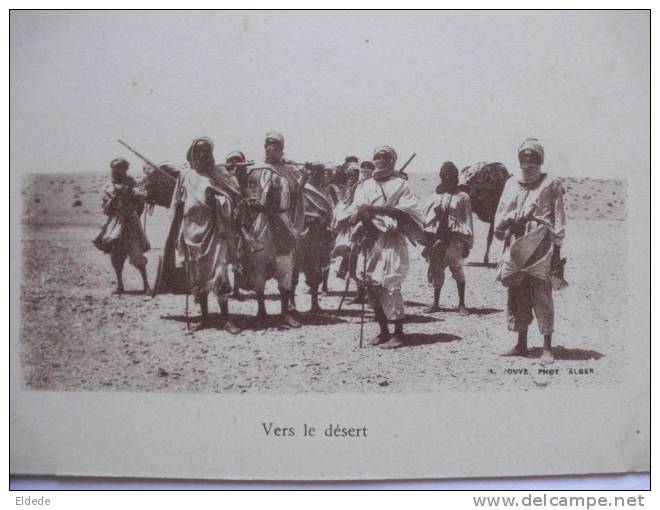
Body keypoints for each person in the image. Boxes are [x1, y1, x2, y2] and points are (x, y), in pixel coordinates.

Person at [339, 145, 424, 348]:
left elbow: (408, 212)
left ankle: (398, 333)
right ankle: (383, 331)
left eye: (385, 157)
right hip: (369, 240)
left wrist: (376, 209)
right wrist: (364, 220)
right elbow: (356, 212)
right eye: (377, 156)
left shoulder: (401, 185)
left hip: (391, 240)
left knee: (390, 284)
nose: (380, 160)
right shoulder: (364, 185)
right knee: (370, 284)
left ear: (392, 160)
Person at [494, 137, 566, 361]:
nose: (528, 161)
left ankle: (547, 348)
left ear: (540, 159)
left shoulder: (551, 183)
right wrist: (507, 224)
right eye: (524, 157)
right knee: (517, 291)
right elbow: (501, 213)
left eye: (532, 157)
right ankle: (521, 344)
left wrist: (556, 252)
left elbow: (558, 219)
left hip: (541, 244)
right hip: (516, 242)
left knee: (542, 294)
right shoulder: (511, 183)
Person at [176, 137, 241, 334]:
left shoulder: (220, 175)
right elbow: (180, 202)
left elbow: (234, 198)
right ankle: (204, 318)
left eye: (206, 151)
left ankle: (225, 319)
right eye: (198, 151)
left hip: (215, 232)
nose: (202, 155)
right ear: (192, 154)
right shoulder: (185, 176)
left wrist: (218, 201)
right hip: (192, 233)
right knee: (198, 276)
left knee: (220, 273)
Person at [422, 161, 473, 316]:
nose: (447, 176)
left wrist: (467, 243)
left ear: (455, 176)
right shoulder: (436, 195)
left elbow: (467, 220)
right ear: (441, 176)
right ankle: (436, 304)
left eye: (450, 174)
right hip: (436, 238)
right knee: (436, 269)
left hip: (455, 239)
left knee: (457, 269)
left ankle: (462, 304)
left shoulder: (462, 197)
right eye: (444, 174)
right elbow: (425, 216)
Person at [99, 158, 151, 295]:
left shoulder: (133, 183)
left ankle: (146, 285)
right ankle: (120, 284)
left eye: (123, 168)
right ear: (112, 168)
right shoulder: (107, 187)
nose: (120, 170)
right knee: (116, 256)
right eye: (117, 167)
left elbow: (141, 200)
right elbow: (105, 209)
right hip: (115, 223)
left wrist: (133, 198)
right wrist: (115, 199)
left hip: (131, 224)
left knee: (137, 254)